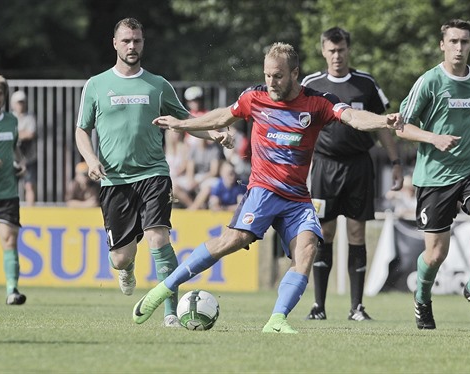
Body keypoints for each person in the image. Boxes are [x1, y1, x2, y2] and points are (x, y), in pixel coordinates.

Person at [132, 42, 403, 333]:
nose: (271, 82)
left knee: (308, 248)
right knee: (230, 241)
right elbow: (223, 116)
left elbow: (351, 116)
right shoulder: (254, 97)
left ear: (295, 73)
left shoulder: (318, 102)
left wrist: (382, 121)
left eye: (278, 76)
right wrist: (182, 123)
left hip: (297, 197)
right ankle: (164, 288)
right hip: (263, 190)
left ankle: (276, 320)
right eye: (267, 75)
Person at [75, 18, 232, 327]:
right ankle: (126, 268)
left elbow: (187, 120)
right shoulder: (96, 84)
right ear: (115, 43)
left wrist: (215, 133)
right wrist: (91, 160)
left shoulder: (158, 85)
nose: (132, 46)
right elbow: (82, 130)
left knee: (158, 238)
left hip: (153, 174)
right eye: (126, 41)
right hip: (114, 180)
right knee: (121, 256)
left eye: (137, 41)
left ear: (143, 43)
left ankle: (170, 312)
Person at [397, 19, 470, 329]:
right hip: (435, 177)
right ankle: (422, 299)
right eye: (453, 42)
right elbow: (402, 126)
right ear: (443, 45)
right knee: (435, 255)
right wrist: (434, 138)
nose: (459, 47)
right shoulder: (429, 82)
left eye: (464, 42)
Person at [301, 27, 404, 321]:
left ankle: (357, 307)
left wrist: (396, 161)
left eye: (341, 49)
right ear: (323, 51)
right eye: (331, 50)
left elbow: (383, 125)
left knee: (357, 233)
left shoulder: (365, 83)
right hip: (324, 166)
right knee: (325, 232)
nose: (337, 55)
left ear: (348, 50)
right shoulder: (312, 84)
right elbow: (301, 126)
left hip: (359, 166)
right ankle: (318, 306)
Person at [0, 73, 27, 305]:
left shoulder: (11, 121)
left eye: (0, 93)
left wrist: (20, 165)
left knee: (10, 241)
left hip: (6, 193)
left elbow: (15, 149)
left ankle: (12, 289)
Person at [10, 90, 37, 206]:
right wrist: (21, 133)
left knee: (29, 185)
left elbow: (31, 134)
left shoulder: (30, 117)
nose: (20, 105)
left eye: (22, 102)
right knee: (11, 187)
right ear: (13, 104)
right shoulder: (10, 118)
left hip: (28, 158)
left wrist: (16, 134)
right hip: (13, 159)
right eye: (18, 103)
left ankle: (31, 212)